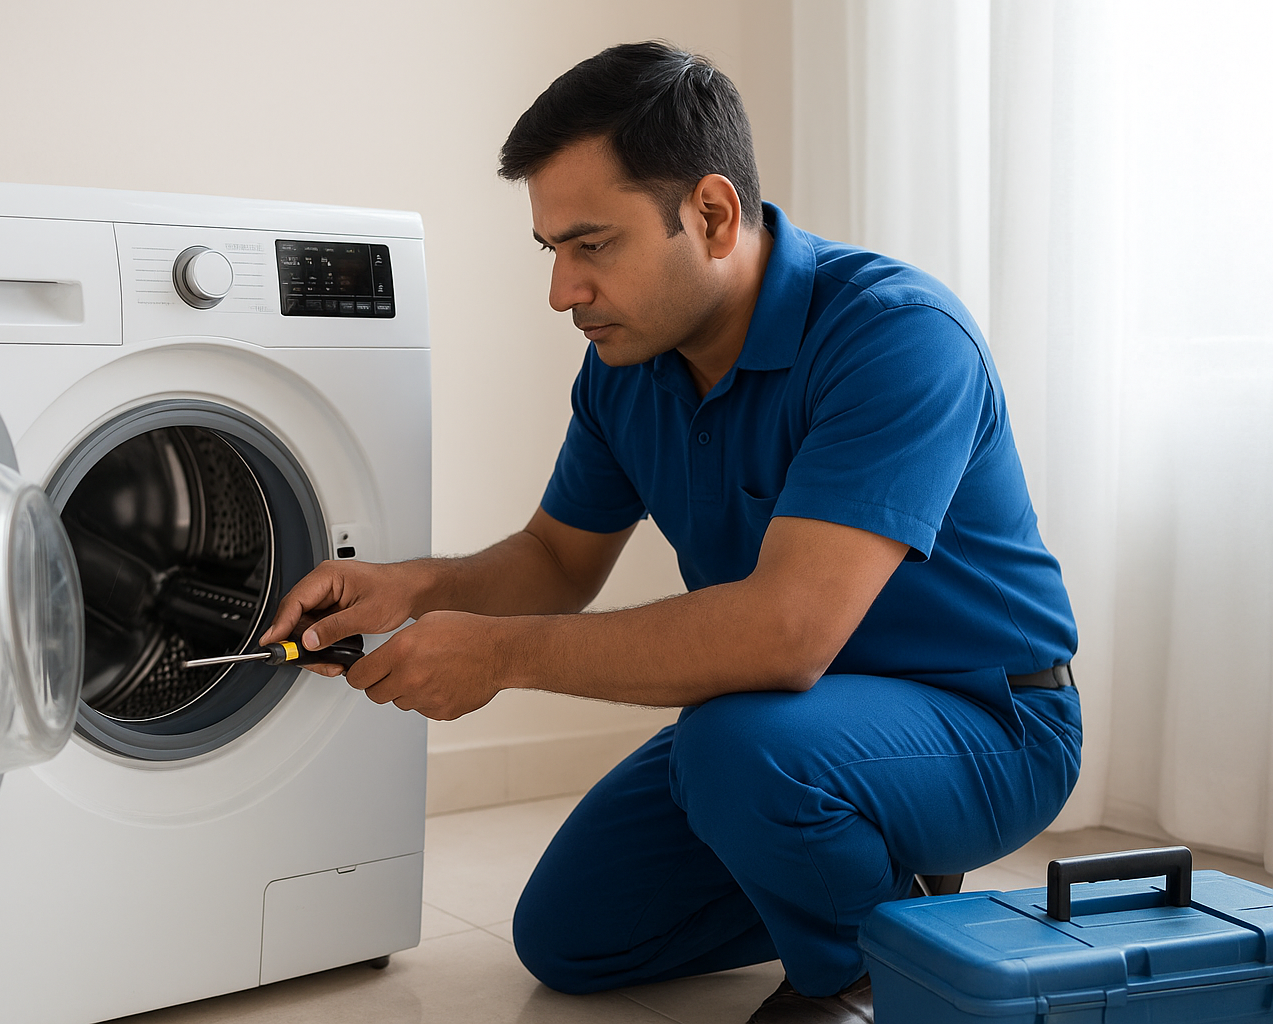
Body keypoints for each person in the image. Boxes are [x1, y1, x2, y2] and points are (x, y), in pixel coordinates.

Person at [260, 40, 1082, 1024]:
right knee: (572, 937)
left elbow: (782, 638)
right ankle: (878, 883)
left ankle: (868, 978)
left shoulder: (896, 337)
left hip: (984, 721)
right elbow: (558, 560)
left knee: (737, 748)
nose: (563, 291)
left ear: (713, 214)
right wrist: (412, 590)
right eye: (552, 250)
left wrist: (500, 655)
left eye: (592, 245)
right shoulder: (624, 369)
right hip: (794, 721)